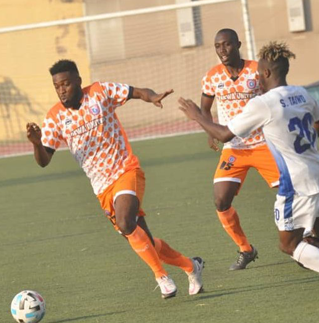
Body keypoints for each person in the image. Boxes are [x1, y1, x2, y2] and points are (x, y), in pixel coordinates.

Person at [179, 42, 319, 300]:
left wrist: (198, 116)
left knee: (289, 245)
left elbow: (224, 134)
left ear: (267, 73)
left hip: (296, 181)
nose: (256, 75)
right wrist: (307, 143)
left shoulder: (264, 103)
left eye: (259, 72)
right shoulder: (301, 93)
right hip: (318, 170)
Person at [26, 59, 204, 299]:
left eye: (66, 84)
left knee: (125, 222)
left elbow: (136, 92)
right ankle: (191, 266)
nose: (62, 90)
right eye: (57, 87)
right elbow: (43, 160)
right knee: (145, 241)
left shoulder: (99, 92)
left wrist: (151, 97)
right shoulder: (55, 117)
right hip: (101, 187)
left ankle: (162, 277)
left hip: (125, 170)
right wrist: (37, 143)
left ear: (78, 81)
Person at [200, 29, 279, 270]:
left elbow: (274, 98)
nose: (222, 50)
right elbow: (205, 108)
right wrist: (211, 131)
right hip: (233, 147)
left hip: (264, 143)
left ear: (238, 45)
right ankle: (246, 249)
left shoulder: (257, 70)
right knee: (220, 200)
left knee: (292, 191)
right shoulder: (212, 77)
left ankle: (309, 238)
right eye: (217, 46)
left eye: (226, 45)